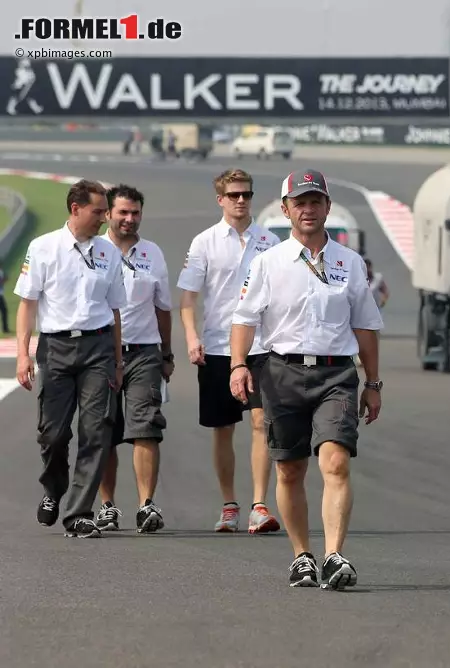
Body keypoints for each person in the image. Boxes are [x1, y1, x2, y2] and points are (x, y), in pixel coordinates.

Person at [230, 169, 383, 589]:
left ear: (328, 207)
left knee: (335, 462)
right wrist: (239, 365)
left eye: (316, 201)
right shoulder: (267, 262)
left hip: (336, 373)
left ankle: (334, 555)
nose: (308, 209)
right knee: (290, 471)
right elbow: (244, 318)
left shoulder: (350, 264)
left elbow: (366, 326)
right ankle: (303, 556)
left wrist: (372, 384)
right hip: (282, 372)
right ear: (285, 209)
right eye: (300, 202)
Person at [13, 179, 125, 538]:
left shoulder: (109, 253)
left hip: (98, 348)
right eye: (98, 212)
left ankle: (78, 512)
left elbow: (115, 310)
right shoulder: (42, 247)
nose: (105, 219)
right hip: (55, 349)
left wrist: (118, 361)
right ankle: (54, 488)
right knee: (53, 434)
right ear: (75, 209)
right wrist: (22, 356)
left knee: (96, 432)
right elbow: (27, 305)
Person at [177, 168, 281, 534]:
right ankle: (229, 504)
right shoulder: (204, 242)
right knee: (222, 428)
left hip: (260, 347)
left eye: (246, 194)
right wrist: (191, 337)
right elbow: (187, 299)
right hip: (218, 346)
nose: (241, 200)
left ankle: (259, 504)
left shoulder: (271, 241)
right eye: (234, 195)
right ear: (220, 199)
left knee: (260, 421)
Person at [95, 184, 173, 534]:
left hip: (144, 352)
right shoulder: (93, 251)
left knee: (146, 428)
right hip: (100, 353)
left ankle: (146, 504)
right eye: (123, 212)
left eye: (135, 213)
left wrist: (167, 353)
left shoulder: (153, 252)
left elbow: (163, 307)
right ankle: (107, 506)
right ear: (108, 213)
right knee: (103, 431)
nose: (129, 219)